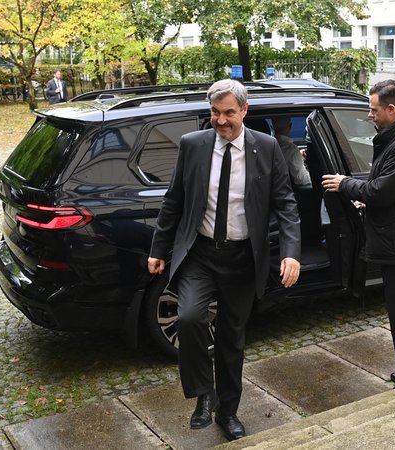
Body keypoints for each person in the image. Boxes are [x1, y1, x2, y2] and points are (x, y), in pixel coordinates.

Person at [147, 79, 301, 441]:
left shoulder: (266, 148)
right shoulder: (193, 145)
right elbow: (174, 200)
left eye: (229, 112)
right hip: (200, 253)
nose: (221, 120)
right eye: (215, 112)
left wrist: (291, 253)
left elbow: (287, 204)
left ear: (244, 111)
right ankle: (204, 393)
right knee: (188, 318)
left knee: (232, 339)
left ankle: (227, 411)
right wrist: (158, 248)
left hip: (243, 259)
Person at [321, 79, 395, 388]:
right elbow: (388, 188)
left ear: (391, 108)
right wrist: (370, 196)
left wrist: (345, 184)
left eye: (374, 110)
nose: (370, 115)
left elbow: (380, 190)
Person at [272, 116, 311, 188]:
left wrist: (298, 157)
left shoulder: (267, 146)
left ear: (272, 127)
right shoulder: (291, 150)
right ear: (290, 126)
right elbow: (301, 179)